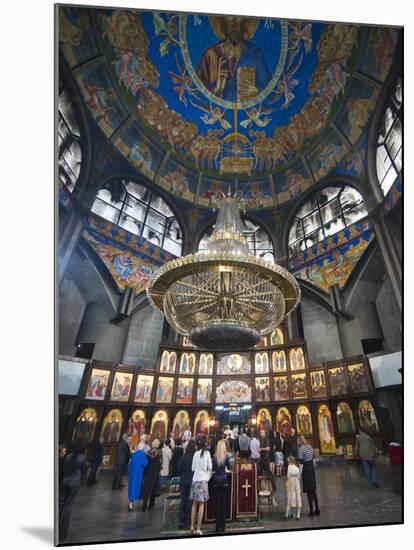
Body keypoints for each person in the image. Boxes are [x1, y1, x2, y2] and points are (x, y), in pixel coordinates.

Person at [59, 440, 86, 542]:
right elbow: (83, 470)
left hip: (65, 481)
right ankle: (62, 533)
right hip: (74, 483)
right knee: (68, 508)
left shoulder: (68, 456)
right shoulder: (82, 458)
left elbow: (63, 468)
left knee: (60, 505)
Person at [190, 438, 212, 535]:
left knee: (194, 504)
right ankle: (198, 528)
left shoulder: (195, 454)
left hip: (195, 480)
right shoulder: (207, 454)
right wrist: (207, 477)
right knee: (202, 504)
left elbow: (193, 468)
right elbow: (210, 468)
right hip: (203, 480)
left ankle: (191, 526)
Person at [297, 435, 320, 517]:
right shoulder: (310, 446)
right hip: (311, 468)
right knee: (313, 490)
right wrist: (313, 468)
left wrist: (299, 474)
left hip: (306, 469)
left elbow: (301, 463)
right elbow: (313, 458)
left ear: (299, 441)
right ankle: (317, 509)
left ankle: (311, 511)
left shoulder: (301, 449)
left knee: (308, 492)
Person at [212, 439, 231, 533]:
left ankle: (217, 526)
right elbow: (229, 466)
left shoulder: (214, 457)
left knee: (217, 504)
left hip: (215, 481)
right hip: (223, 481)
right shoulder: (226, 457)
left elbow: (213, 469)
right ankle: (222, 526)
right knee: (222, 505)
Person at [177, 440, 196, 529]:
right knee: (189, 501)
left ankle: (181, 521)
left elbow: (178, 469)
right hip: (191, 480)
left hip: (183, 480)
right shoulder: (194, 458)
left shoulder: (183, 457)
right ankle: (188, 520)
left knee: (182, 501)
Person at [141, 439, 162, 511]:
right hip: (155, 471)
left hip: (148, 470)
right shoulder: (159, 452)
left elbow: (147, 460)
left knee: (147, 487)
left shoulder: (149, 452)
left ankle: (144, 505)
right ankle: (151, 504)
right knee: (153, 487)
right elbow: (160, 462)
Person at [127, 445, 148, 511]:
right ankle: (132, 504)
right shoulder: (143, 455)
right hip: (139, 474)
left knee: (132, 487)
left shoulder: (134, 454)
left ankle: (130, 503)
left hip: (132, 473)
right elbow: (145, 464)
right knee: (136, 488)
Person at [285, 456, 302, 520]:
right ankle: (298, 514)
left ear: (290, 461)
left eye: (288, 461)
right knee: (297, 497)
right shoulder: (297, 468)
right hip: (296, 484)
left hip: (291, 484)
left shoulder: (289, 467)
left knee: (290, 497)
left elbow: (288, 476)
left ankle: (287, 514)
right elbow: (299, 476)